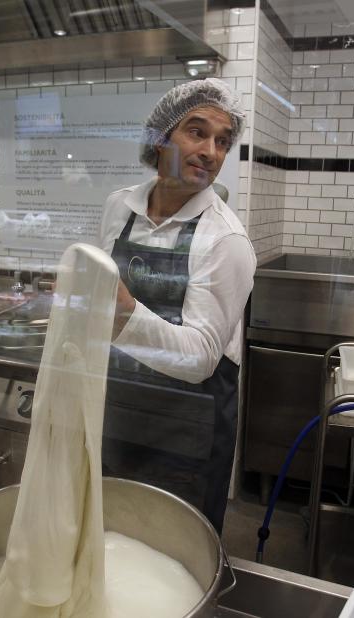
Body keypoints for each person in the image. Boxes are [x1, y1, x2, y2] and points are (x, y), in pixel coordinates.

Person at [97, 78, 256, 532]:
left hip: (188, 430)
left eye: (222, 141)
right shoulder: (118, 207)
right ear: (160, 137)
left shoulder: (224, 239)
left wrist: (126, 313)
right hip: (120, 410)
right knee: (113, 536)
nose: (210, 151)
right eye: (196, 132)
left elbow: (203, 357)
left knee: (175, 553)